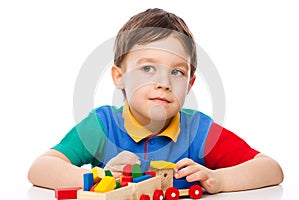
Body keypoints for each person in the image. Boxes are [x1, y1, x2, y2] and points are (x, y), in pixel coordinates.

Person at [28, 8, 283, 194]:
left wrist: (219, 179)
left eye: (177, 72)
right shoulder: (102, 125)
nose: (164, 82)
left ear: (190, 83)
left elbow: (270, 169)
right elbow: (40, 168)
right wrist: (98, 176)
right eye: (148, 68)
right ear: (119, 76)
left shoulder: (198, 131)